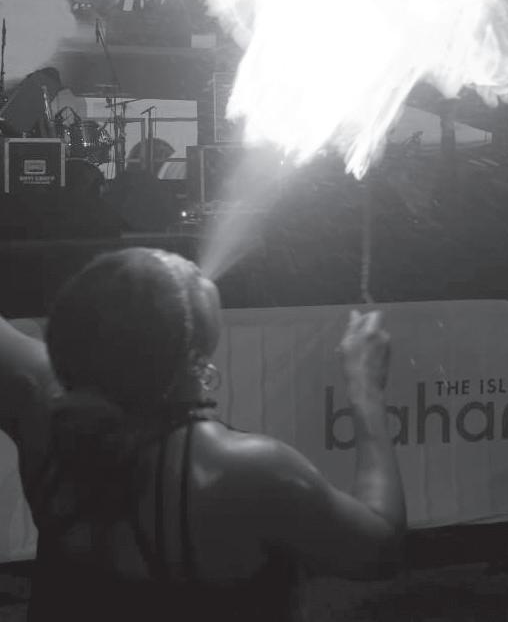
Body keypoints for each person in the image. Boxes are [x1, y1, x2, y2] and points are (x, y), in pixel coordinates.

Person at [0, 247, 406, 621]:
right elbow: (379, 548)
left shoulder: (40, 400)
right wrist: (365, 386)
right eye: (171, 274)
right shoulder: (243, 472)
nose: (187, 263)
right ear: (190, 355)